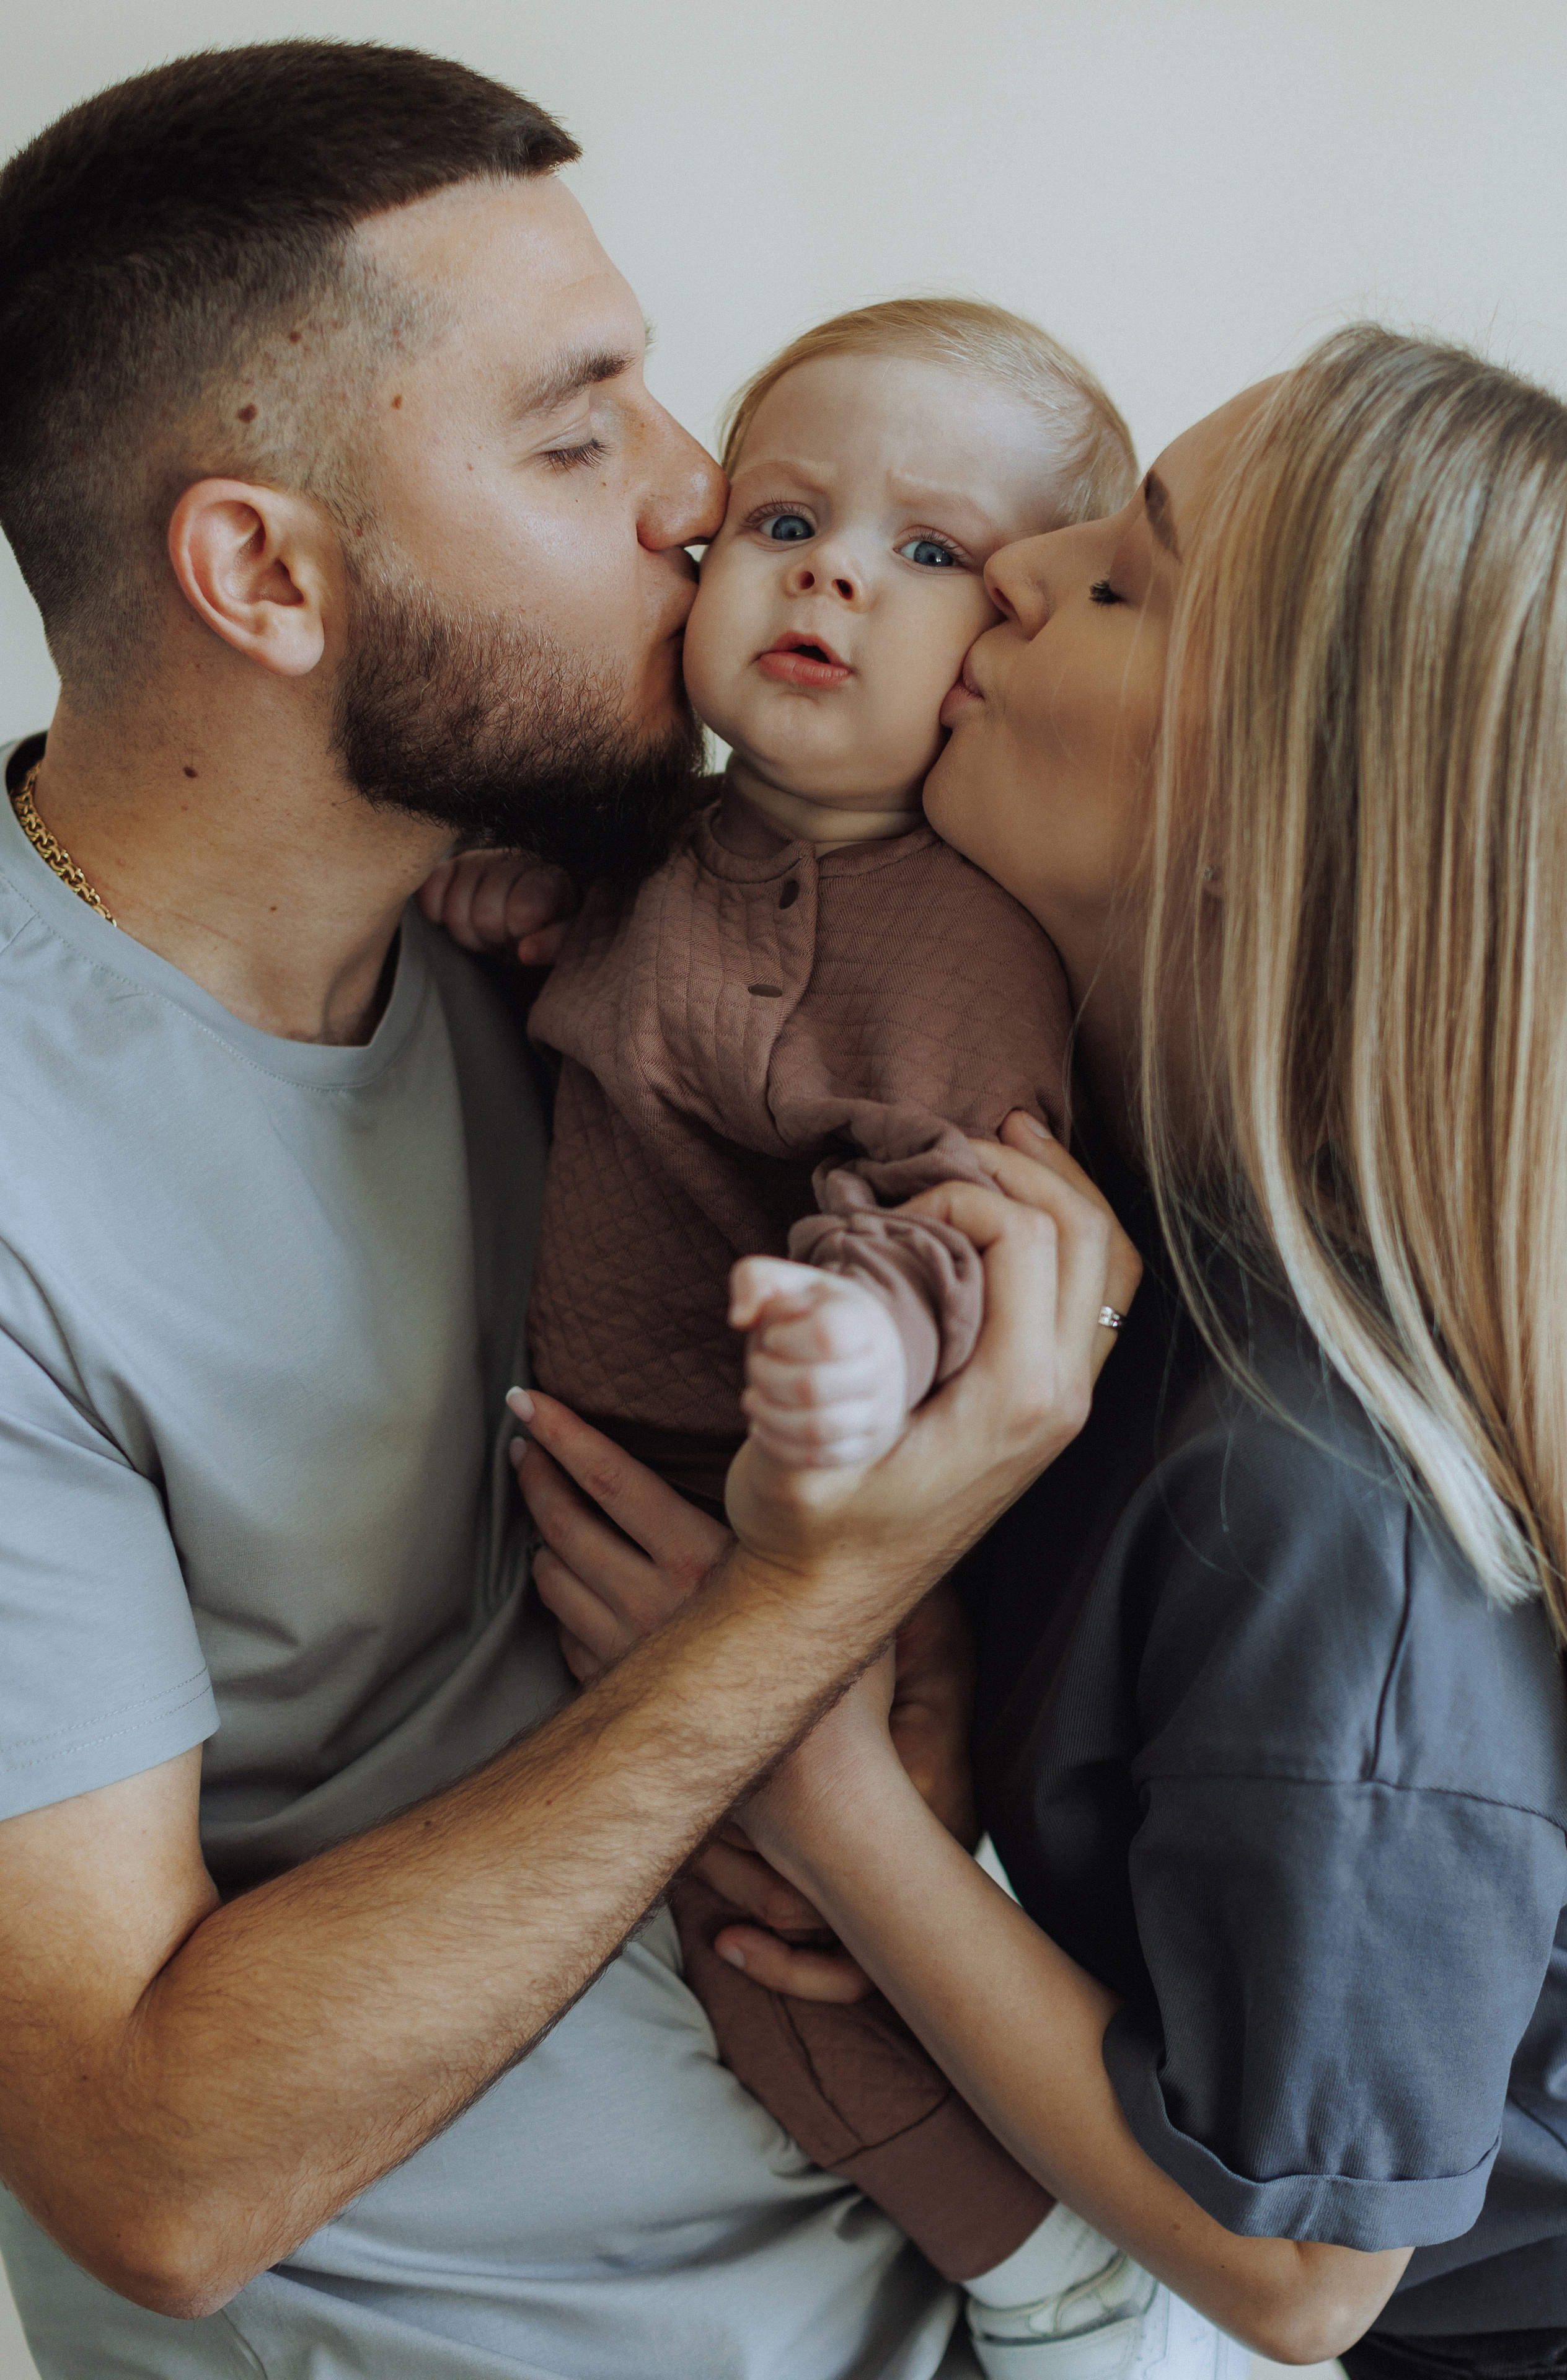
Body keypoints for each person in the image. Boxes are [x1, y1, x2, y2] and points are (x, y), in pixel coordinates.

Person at [0, 42, 1136, 2380]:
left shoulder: (587, 892)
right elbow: (150, 2178)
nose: (705, 499)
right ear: (260, 576)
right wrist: (801, 1630)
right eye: (574, 429)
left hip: (950, 2274)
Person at [513, 327, 1567, 2380]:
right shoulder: (1088, 1174)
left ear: (1267, 800)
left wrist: (820, 1794)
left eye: (1121, 578)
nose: (1007, 567)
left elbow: (1305, 2280)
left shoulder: (1325, 1513)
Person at [429, 299, 1242, 2380]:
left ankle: (1036, 2267)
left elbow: (966, 1207)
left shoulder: (950, 942)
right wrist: (527, 895)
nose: (834, 575)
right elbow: (632, 961)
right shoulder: (663, 836)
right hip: (614, 1514)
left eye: (930, 552)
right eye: (784, 518)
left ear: (998, 665)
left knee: (785, 1960)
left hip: (798, 1513)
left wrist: (858, 1359)